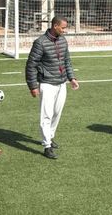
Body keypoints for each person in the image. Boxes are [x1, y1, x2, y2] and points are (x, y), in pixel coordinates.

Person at [25, 16, 80, 159]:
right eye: (63, 27)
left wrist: (71, 78)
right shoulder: (40, 43)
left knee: (57, 113)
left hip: (62, 83)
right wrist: (33, 86)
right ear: (55, 26)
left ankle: (50, 136)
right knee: (47, 115)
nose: (64, 30)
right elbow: (31, 65)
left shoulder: (63, 40)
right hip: (47, 84)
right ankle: (46, 146)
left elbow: (67, 61)